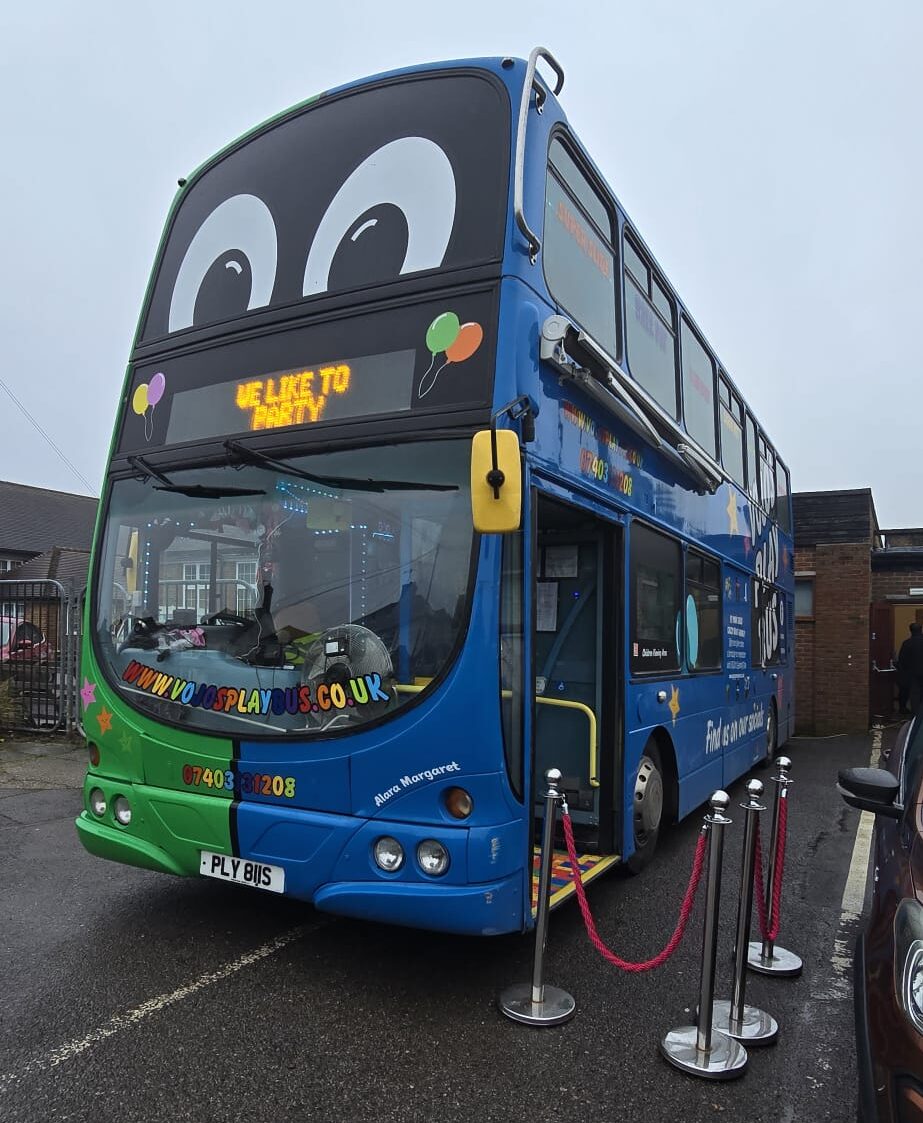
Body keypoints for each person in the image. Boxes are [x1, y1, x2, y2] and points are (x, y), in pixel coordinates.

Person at [897, 623, 923, 714]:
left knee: (915, 695)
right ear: (921, 629)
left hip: (912, 674)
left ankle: (915, 717)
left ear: (910, 630)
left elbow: (902, 660)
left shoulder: (907, 643)